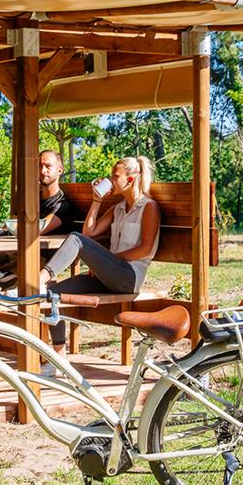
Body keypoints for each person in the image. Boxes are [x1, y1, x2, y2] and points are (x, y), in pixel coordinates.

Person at [37, 156, 160, 370]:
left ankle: (38, 279)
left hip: (129, 277)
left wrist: (107, 261)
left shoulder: (149, 207)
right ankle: (60, 359)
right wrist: (97, 200)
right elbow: (90, 232)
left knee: (75, 238)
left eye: (115, 176)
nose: (110, 180)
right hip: (109, 276)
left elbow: (145, 249)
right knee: (52, 294)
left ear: (130, 180)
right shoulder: (118, 209)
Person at [37, 150, 80, 236]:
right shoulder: (31, 199)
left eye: (48, 166)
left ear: (59, 170)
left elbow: (38, 229)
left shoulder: (64, 205)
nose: (42, 171)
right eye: (39, 166)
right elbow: (13, 221)